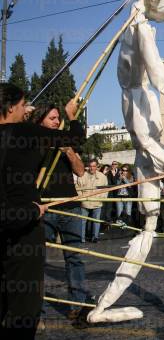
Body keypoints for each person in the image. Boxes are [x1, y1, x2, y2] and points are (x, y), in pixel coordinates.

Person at [0, 83, 83, 338]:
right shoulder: (24, 132)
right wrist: (72, 117)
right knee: (24, 301)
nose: (26, 109)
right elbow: (74, 138)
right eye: (23, 105)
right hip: (23, 224)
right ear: (12, 106)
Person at [30, 104, 90, 322]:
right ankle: (35, 307)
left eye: (57, 118)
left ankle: (78, 303)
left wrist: (68, 151)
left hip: (70, 208)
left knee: (74, 258)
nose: (56, 122)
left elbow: (80, 171)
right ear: (40, 122)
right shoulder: (35, 141)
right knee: (37, 260)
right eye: (51, 118)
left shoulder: (65, 142)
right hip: (44, 208)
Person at [76, 159, 108, 243]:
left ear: (97, 166)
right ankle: (82, 238)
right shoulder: (82, 175)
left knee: (96, 221)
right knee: (82, 221)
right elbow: (78, 188)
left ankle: (95, 237)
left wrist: (102, 198)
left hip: (97, 202)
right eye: (90, 166)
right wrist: (81, 198)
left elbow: (105, 189)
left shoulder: (102, 177)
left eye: (93, 166)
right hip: (85, 202)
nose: (92, 168)